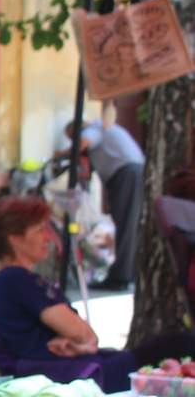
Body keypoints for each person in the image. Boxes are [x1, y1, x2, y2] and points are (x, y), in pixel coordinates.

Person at [0, 196, 195, 392]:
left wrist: (81, 343)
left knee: (176, 347)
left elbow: (88, 339)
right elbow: (82, 334)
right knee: (181, 345)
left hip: (82, 366)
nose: (48, 236)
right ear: (15, 239)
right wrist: (81, 342)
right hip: (81, 375)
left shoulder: (13, 280)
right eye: (39, 230)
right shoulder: (15, 279)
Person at [65, 102, 145, 290]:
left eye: (71, 138)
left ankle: (121, 277)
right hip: (132, 174)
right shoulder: (106, 129)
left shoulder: (93, 129)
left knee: (126, 225)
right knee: (130, 224)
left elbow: (84, 142)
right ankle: (128, 273)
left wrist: (62, 154)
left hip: (127, 175)